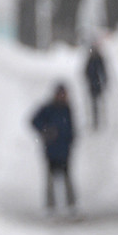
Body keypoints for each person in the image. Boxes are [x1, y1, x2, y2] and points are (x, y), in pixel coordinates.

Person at [31, 83, 76, 214]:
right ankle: (50, 205)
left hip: (64, 151)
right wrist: (46, 130)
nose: (62, 96)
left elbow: (71, 129)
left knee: (67, 179)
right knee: (50, 179)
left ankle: (71, 204)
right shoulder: (48, 109)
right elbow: (34, 121)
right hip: (51, 150)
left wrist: (71, 141)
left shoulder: (67, 109)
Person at [84, 43, 108, 129]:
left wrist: (104, 81)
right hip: (93, 84)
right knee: (94, 103)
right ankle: (96, 120)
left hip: (97, 84)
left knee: (98, 102)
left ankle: (99, 119)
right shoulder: (91, 59)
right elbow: (86, 71)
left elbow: (103, 71)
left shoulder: (98, 59)